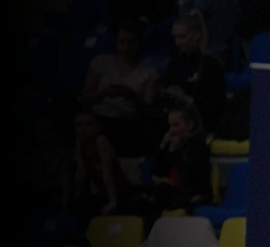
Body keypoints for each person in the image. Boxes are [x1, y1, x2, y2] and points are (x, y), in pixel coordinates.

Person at [80, 20, 159, 156]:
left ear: (139, 43)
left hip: (129, 123)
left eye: (131, 43)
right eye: (121, 42)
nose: (125, 48)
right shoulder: (101, 62)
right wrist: (104, 93)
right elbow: (84, 99)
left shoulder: (149, 72)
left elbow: (147, 108)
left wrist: (131, 95)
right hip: (100, 120)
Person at [159, 12, 227, 134]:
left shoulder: (211, 65)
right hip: (174, 119)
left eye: (182, 37)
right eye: (175, 37)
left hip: (201, 123)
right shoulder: (175, 63)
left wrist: (186, 98)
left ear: (196, 35)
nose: (177, 42)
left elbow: (216, 106)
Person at [68, 110, 128, 225]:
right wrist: (77, 198)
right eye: (79, 125)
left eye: (88, 124)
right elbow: (81, 173)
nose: (83, 129)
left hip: (118, 191)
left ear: (97, 127)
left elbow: (107, 173)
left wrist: (112, 202)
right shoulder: (79, 142)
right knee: (75, 207)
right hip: (101, 193)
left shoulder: (101, 141)